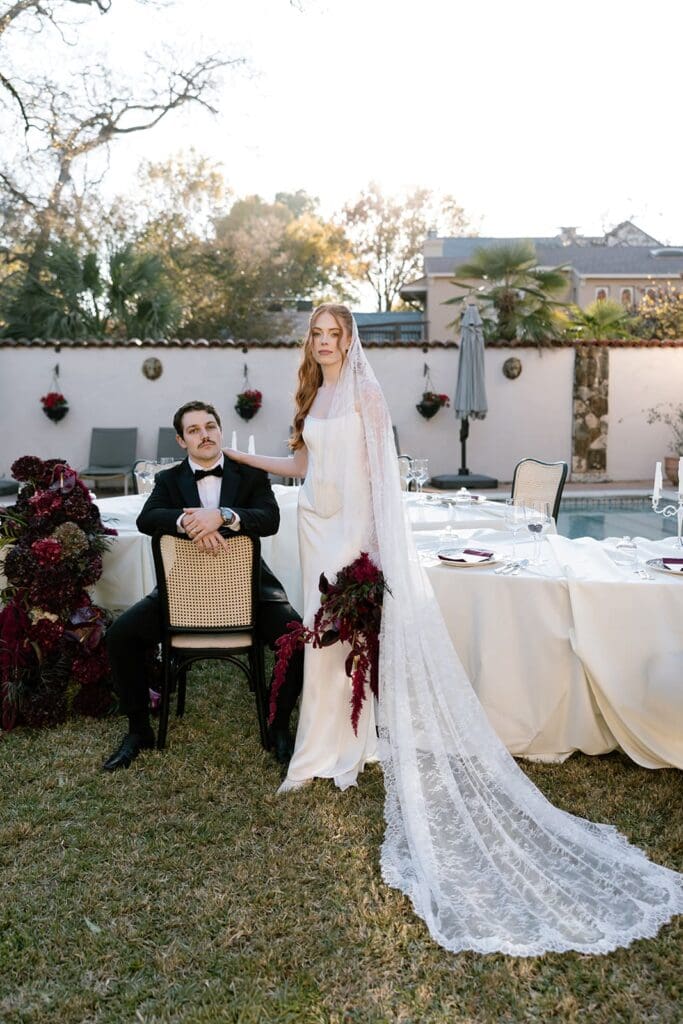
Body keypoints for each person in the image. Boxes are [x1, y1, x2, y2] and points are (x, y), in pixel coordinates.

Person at [226, 303, 683, 957]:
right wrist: (247, 466)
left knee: (344, 641)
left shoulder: (366, 393)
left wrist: (373, 549)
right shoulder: (311, 392)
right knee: (323, 642)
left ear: (350, 340)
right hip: (313, 528)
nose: (325, 344)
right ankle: (322, 747)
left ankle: (341, 749)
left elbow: (380, 477)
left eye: (334, 335)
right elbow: (302, 466)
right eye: (317, 336)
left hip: (352, 534)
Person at [102, 400, 303, 772]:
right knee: (120, 636)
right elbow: (149, 518)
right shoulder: (169, 480)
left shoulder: (251, 475)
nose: (204, 434)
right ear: (181, 440)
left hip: (251, 589)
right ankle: (138, 730)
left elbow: (270, 518)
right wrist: (190, 521)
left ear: (220, 430)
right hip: (184, 592)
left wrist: (224, 515)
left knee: (296, 637)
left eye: (210, 426)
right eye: (193, 430)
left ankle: (279, 726)